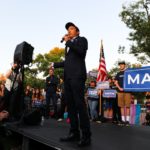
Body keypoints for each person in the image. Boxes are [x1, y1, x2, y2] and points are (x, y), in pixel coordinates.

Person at [50, 22, 91, 147]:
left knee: (80, 105)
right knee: (71, 106)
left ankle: (86, 135)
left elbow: (81, 52)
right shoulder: (68, 46)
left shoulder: (82, 40)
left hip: (77, 76)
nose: (69, 30)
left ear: (77, 32)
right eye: (68, 29)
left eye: (72, 28)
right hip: (67, 78)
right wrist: (55, 64)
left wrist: (68, 42)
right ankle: (74, 133)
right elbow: (68, 62)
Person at [115, 61, 131, 125]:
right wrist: (119, 88)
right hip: (120, 92)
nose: (121, 66)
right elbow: (116, 82)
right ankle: (122, 120)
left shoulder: (129, 72)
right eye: (120, 65)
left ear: (125, 65)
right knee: (121, 106)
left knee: (127, 106)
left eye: (122, 65)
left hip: (128, 91)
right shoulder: (118, 73)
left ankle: (127, 121)